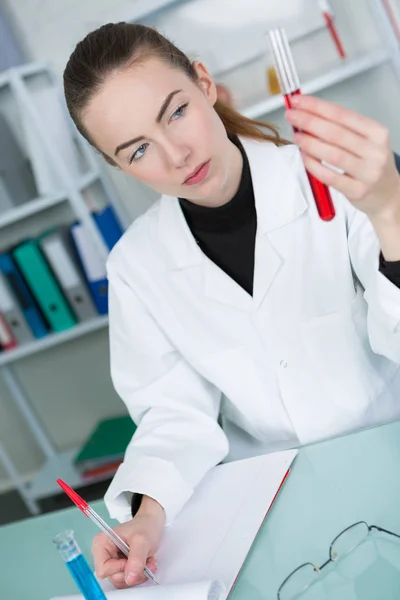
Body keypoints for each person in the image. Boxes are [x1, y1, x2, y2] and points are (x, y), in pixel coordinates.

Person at [63, 22, 400, 590]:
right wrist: (147, 517)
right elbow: (173, 413)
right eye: (138, 149)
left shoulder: (334, 183)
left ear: (204, 83)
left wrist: (391, 211)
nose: (177, 155)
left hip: (387, 454)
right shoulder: (136, 265)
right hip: (273, 501)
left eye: (175, 112)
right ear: (119, 167)